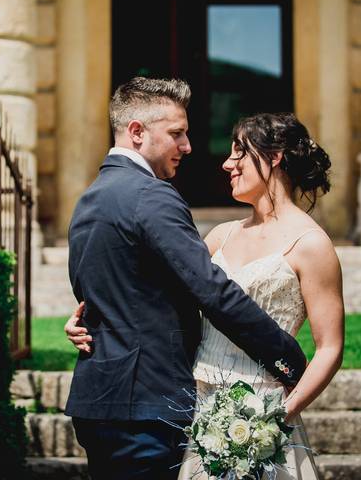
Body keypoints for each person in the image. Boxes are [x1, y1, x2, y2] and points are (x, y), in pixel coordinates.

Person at [67, 111, 344, 480]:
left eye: (240, 152)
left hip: (265, 410)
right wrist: (93, 316)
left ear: (275, 156)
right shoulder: (220, 237)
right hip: (199, 410)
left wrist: (279, 417)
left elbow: (330, 348)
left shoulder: (312, 245)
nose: (227, 163)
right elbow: (155, 292)